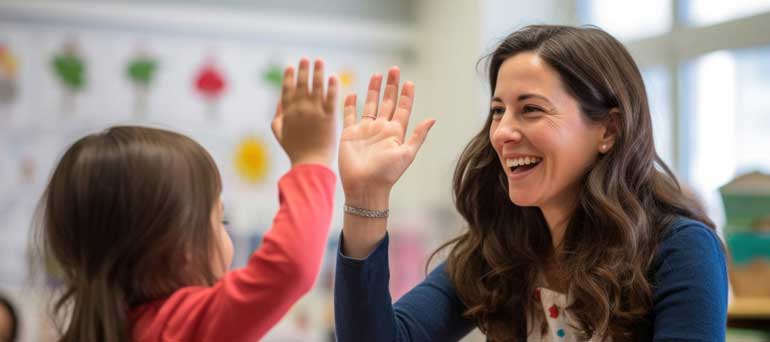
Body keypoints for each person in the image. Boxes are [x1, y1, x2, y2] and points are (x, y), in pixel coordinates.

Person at [334, 25, 727, 341]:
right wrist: (366, 197)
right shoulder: (498, 250)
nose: (502, 132)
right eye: (497, 111)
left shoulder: (681, 249)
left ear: (608, 129)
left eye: (531, 109)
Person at [38, 57, 338, 341]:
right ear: (174, 247)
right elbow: (290, 267)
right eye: (221, 220)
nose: (227, 232)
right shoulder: (178, 327)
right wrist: (312, 158)